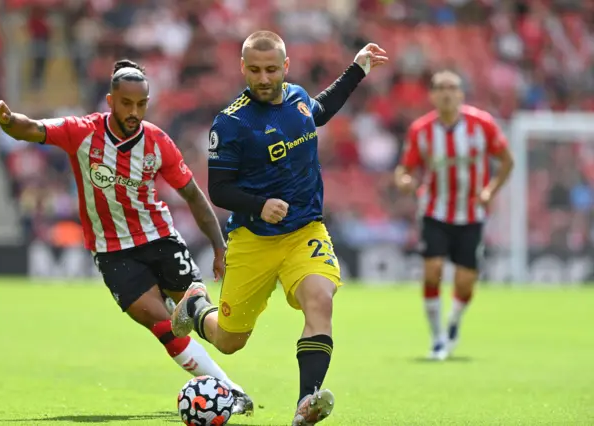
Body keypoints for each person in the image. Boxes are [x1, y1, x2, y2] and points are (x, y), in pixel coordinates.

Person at [0, 60, 253, 414]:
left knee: (198, 314)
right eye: (127, 104)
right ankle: (231, 390)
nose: (134, 112)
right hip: (113, 252)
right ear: (111, 101)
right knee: (164, 326)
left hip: (159, 237)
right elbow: (31, 129)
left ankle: (206, 322)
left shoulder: (158, 142)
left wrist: (218, 246)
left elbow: (194, 195)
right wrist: (6, 119)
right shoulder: (82, 132)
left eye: (141, 104)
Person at [170, 31, 388, 425]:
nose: (264, 78)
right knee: (229, 341)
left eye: (271, 69)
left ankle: (306, 403)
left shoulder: (298, 98)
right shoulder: (231, 123)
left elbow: (319, 109)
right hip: (253, 240)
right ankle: (196, 307)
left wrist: (357, 69)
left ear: (285, 67)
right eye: (255, 70)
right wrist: (259, 205)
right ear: (243, 68)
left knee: (321, 300)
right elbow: (219, 189)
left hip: (305, 231)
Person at [394, 70, 514, 361]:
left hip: (471, 214)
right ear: (432, 95)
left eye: (452, 88)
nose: (446, 93)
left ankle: (453, 324)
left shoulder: (482, 124)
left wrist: (489, 192)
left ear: (461, 93)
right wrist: (404, 181)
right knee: (432, 271)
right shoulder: (421, 130)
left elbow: (507, 162)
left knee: (464, 282)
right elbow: (404, 169)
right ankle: (437, 337)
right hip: (434, 211)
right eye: (440, 88)